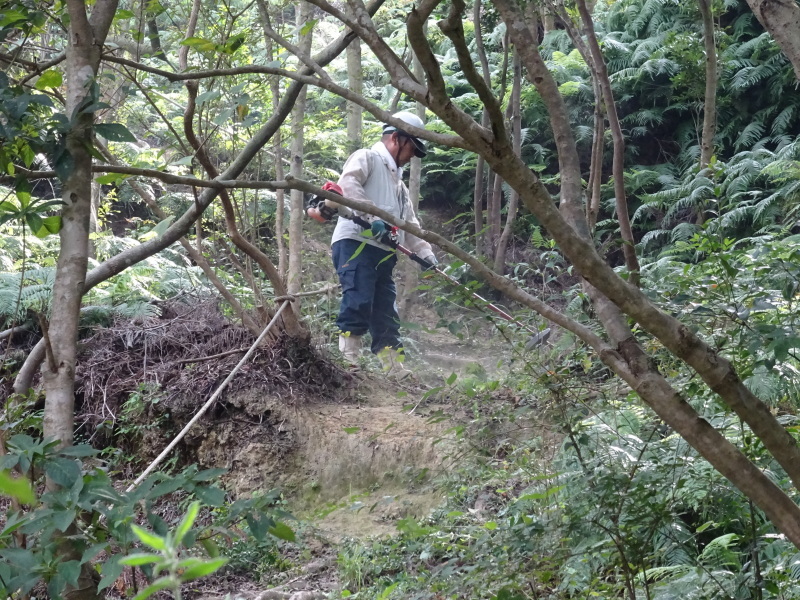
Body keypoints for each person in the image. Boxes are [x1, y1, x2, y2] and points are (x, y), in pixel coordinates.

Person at [330, 111, 438, 378]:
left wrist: (425, 253)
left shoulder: (399, 187)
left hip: (384, 252)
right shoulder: (367, 157)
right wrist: (372, 217)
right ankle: (348, 362)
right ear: (396, 138)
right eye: (412, 147)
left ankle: (393, 367)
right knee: (358, 299)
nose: (412, 155)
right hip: (355, 243)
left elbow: (409, 223)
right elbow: (348, 185)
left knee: (385, 311)